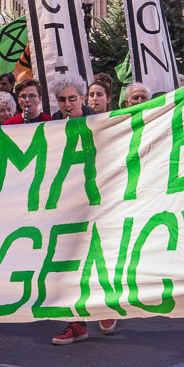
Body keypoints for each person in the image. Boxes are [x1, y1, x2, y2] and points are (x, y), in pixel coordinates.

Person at [50, 74, 117, 344]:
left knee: (100, 259)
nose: (67, 104)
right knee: (68, 264)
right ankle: (76, 323)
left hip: (98, 200)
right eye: (62, 99)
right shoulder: (52, 125)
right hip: (67, 203)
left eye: (72, 99)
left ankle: (106, 307)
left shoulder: (100, 122)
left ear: (82, 98)